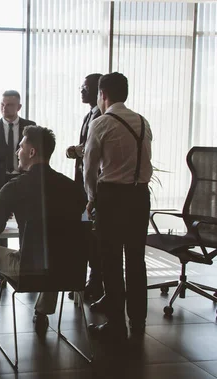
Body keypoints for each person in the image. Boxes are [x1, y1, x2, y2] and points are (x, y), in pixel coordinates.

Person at [0, 126, 87, 333]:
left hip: (28, 271)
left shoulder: (14, 187)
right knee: (54, 252)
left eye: (20, 147)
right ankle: (43, 312)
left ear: (32, 152)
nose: (17, 152)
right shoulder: (72, 188)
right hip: (69, 271)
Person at [84, 72, 152, 341]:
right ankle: (138, 320)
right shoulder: (143, 122)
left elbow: (90, 169)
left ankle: (115, 322)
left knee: (111, 260)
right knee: (136, 259)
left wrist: (91, 197)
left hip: (112, 197)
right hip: (140, 197)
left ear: (103, 95)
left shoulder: (101, 123)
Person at [0, 90, 36, 287]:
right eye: (3, 104)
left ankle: (26, 265)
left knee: (26, 223)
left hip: (25, 181)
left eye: (10, 105)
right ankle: (2, 272)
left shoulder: (31, 127)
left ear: (19, 107)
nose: (5, 108)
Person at [66, 73, 104, 301]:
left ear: (100, 91)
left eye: (85, 87)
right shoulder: (89, 114)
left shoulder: (103, 117)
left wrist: (79, 150)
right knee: (85, 233)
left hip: (96, 190)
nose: (81, 90)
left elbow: (91, 150)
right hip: (83, 188)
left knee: (94, 235)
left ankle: (96, 282)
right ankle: (87, 280)